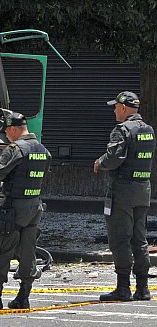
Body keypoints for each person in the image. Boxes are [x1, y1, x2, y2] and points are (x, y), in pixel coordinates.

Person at [0, 112, 50, 310]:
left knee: (2, 250)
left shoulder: (15, 149)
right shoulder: (42, 149)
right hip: (35, 206)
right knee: (28, 252)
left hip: (14, 207)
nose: (6, 136)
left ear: (14, 129)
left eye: (7, 131)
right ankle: (23, 297)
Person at [94, 91, 154, 301]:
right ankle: (143, 288)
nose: (114, 111)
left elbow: (114, 158)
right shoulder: (148, 130)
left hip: (123, 192)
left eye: (115, 107)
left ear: (123, 107)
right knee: (140, 240)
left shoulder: (122, 130)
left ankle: (123, 288)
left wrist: (100, 162)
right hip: (143, 190)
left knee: (121, 239)